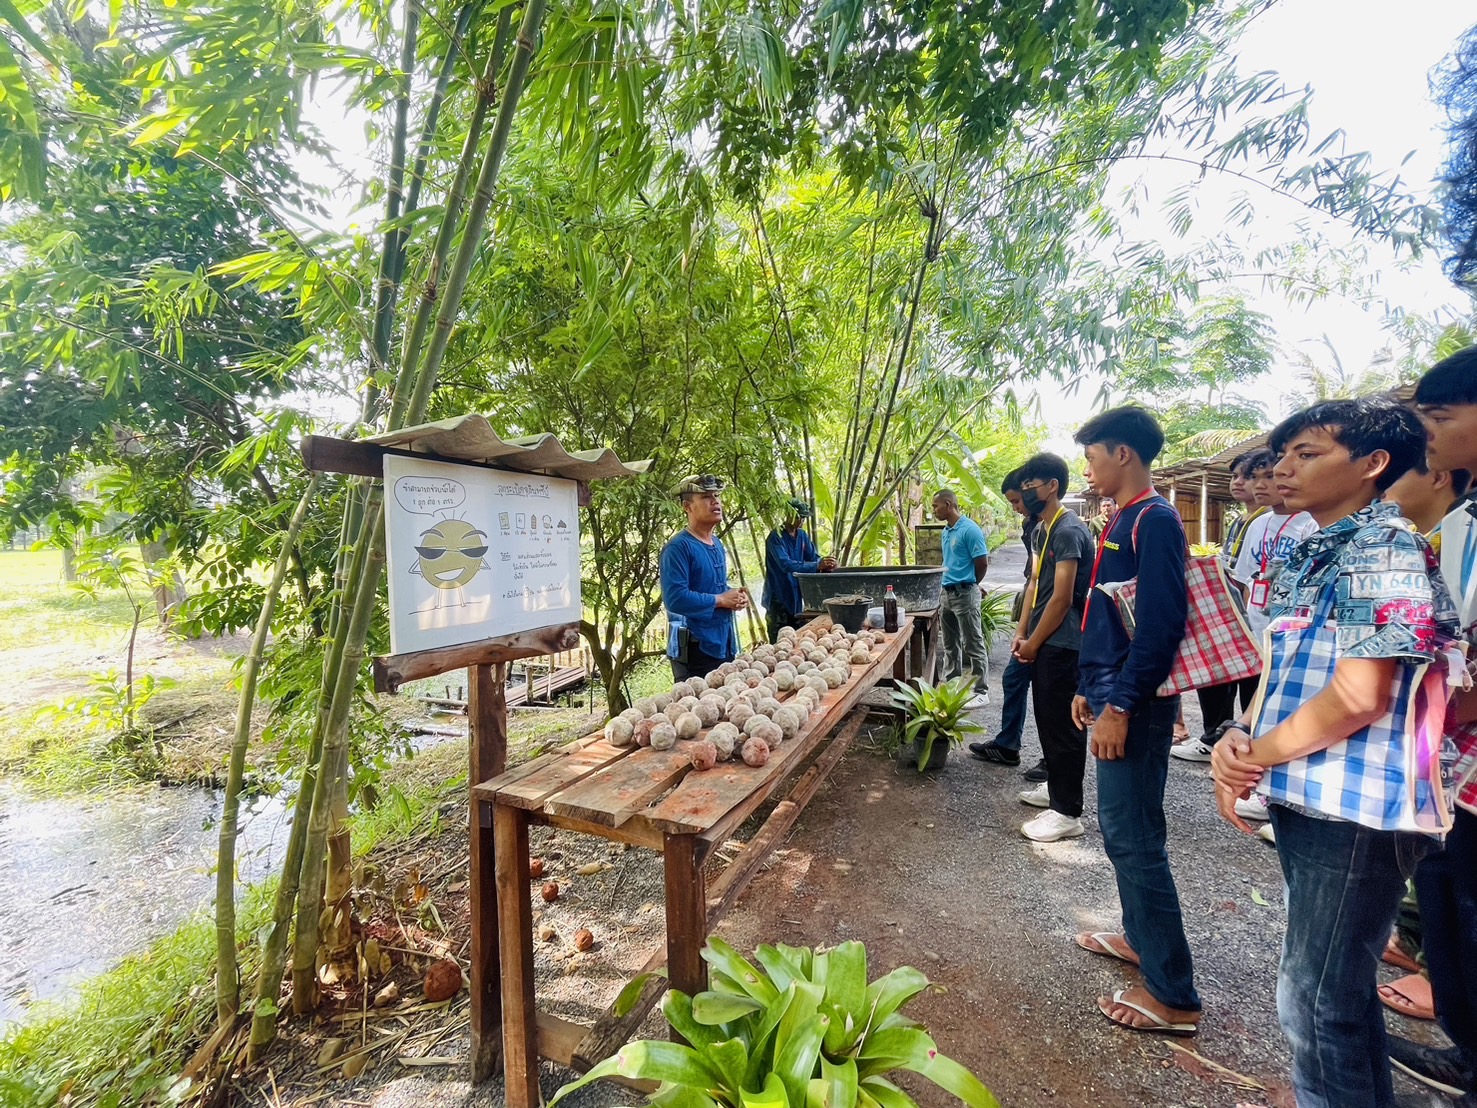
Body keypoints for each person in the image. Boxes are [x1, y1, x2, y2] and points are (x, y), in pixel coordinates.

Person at [1210, 397, 1455, 1108]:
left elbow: (1359, 695)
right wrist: (1237, 738)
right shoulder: (1321, 547)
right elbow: (1281, 668)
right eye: (1283, 453)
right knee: (1321, 992)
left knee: (1319, 1001)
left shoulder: (1382, 548)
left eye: (1307, 454)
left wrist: (1256, 751)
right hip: (1315, 791)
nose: (1281, 468)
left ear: (1373, 464)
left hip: (1355, 807)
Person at [1068, 406, 1201, 1037]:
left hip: (1137, 708)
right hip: (1111, 693)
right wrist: (1088, 688)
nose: (1087, 469)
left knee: (1134, 836)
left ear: (1123, 454)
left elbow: (1161, 624)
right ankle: (1139, 937)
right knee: (1124, 831)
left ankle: (1173, 993)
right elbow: (1107, 619)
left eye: (1092, 456)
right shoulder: (1120, 518)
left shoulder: (1156, 519)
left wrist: (1121, 704)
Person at [1385, 343, 1477, 1106]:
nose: (1430, 436)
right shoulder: (1460, 527)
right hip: (1454, 761)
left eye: (1440, 418)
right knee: (1450, 904)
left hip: (1460, 751)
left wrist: (1432, 722)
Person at [1173, 449, 1316, 765]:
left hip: (1286, 636)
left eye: (1269, 475)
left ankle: (1264, 770)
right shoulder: (1258, 523)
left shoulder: (1310, 523)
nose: (1262, 484)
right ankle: (1237, 755)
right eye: (1256, 477)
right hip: (1253, 627)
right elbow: (1243, 579)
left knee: (1275, 706)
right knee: (1252, 700)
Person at [1009, 454, 1093, 842]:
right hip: (1043, 639)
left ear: (1052, 486)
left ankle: (1067, 811)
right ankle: (1056, 787)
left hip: (1064, 642)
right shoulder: (1042, 530)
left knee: (1064, 726)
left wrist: (1035, 642)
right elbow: (1033, 585)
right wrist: (1022, 632)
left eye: (1031, 487)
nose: (1026, 495)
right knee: (1047, 718)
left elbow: (1061, 598)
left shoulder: (1068, 530)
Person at [970, 469, 1043, 775]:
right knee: (1015, 678)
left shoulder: (1058, 527)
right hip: (1033, 607)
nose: (1016, 506)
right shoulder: (1032, 525)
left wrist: (1033, 635)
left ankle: (1055, 761)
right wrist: (1022, 627)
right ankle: (1008, 745)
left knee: (1049, 690)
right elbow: (1033, 576)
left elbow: (1057, 589)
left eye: (1018, 499)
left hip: (1049, 618)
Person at [659, 474, 748, 681]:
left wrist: (732, 596)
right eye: (706, 497)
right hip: (695, 648)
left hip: (722, 642)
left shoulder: (716, 543)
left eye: (717, 496)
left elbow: (711, 585)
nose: (715, 501)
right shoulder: (678, 548)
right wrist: (721, 600)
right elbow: (676, 598)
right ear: (687, 507)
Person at [932, 488, 990, 709]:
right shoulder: (947, 530)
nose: (934, 510)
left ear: (948, 504)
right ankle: (952, 684)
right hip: (946, 592)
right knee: (950, 643)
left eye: (935, 506)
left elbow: (982, 563)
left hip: (965, 593)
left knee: (972, 642)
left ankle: (980, 690)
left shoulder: (970, 529)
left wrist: (972, 585)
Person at [761, 497, 836, 643]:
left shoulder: (802, 535)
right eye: (799, 517)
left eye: (803, 517)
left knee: (797, 637)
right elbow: (786, 564)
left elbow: (813, 557)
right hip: (778, 596)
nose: (802, 520)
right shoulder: (776, 536)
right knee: (779, 639)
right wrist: (816, 565)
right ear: (788, 515)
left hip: (796, 595)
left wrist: (827, 564)